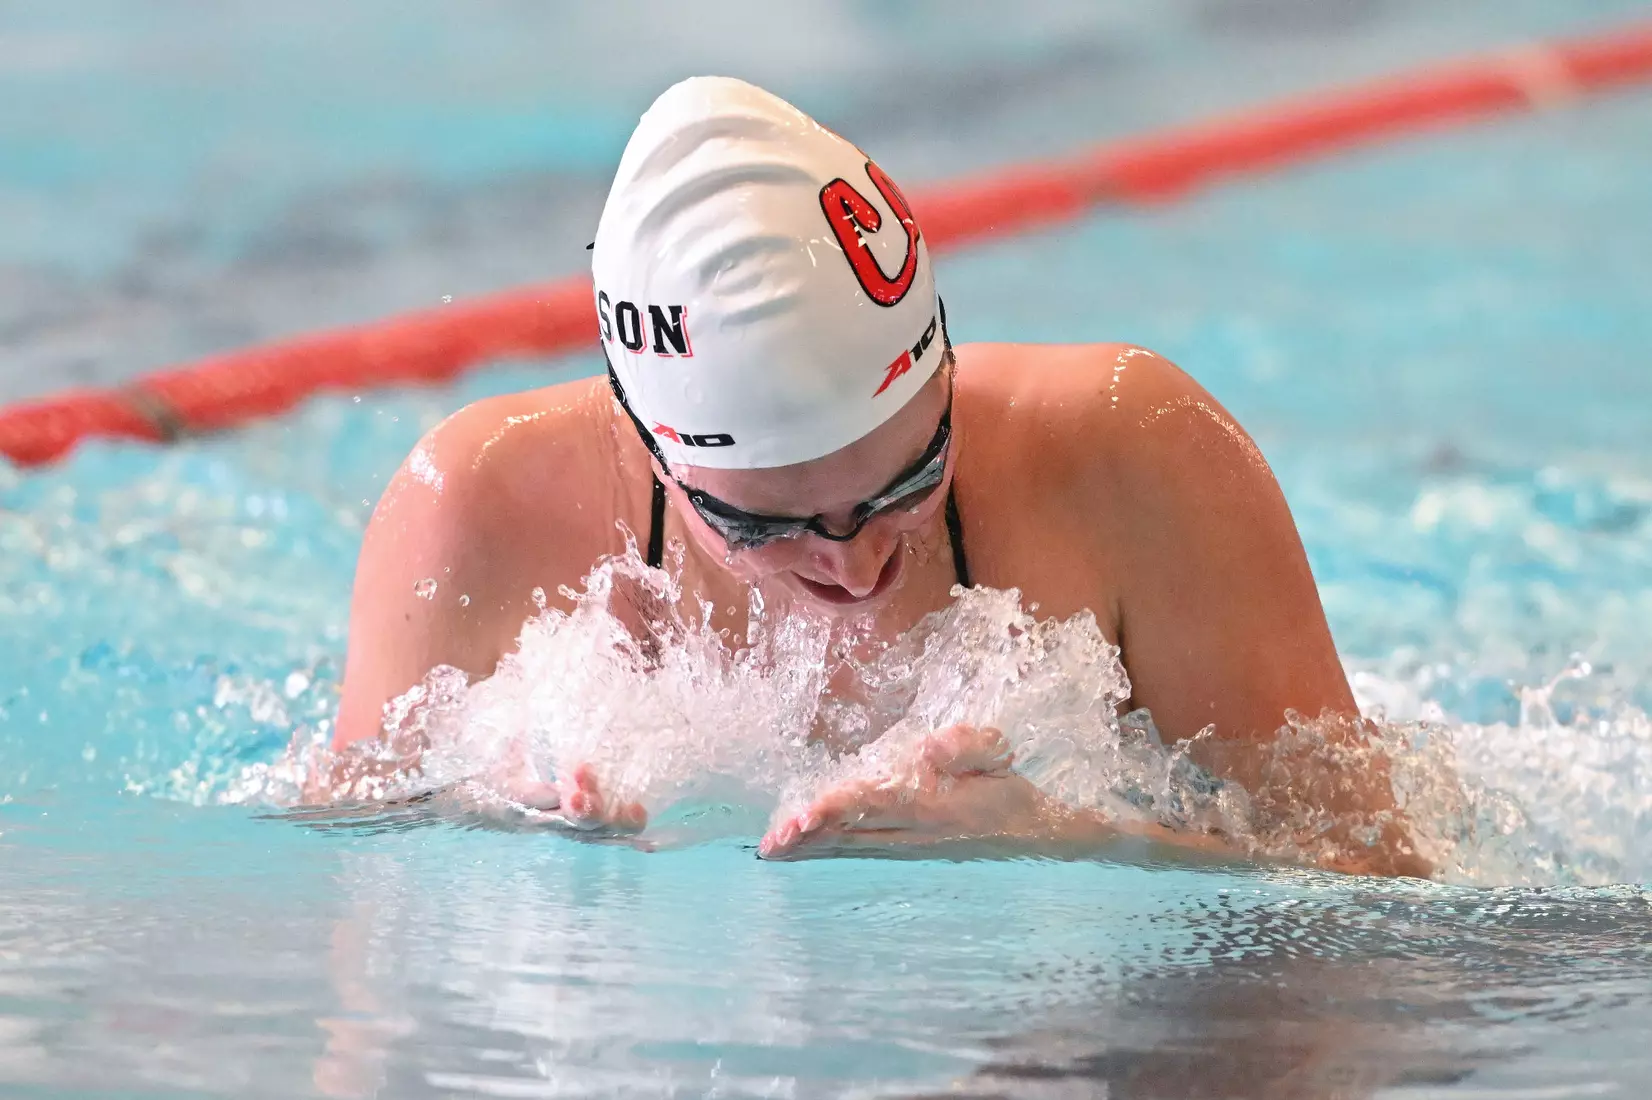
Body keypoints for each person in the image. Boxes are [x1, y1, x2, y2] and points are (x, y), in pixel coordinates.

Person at [329, 76, 1427, 876]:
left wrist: (1075, 840)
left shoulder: (1130, 453)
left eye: (912, 479)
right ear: (647, 441)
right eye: (765, 525)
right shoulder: (473, 504)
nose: (853, 564)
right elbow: (335, 886)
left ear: (942, 366)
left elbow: (1380, 885)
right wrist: (473, 815)